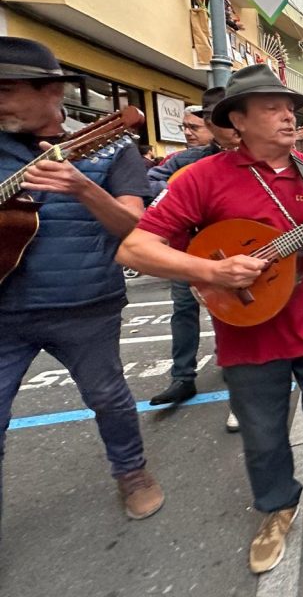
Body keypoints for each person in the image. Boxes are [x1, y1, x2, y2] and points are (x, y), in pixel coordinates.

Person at [117, 64, 303, 576]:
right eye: (272, 107)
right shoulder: (201, 178)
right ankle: (277, 508)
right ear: (238, 118)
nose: (288, 116)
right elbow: (133, 248)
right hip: (247, 334)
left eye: (290, 107)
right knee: (262, 436)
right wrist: (212, 269)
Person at [0, 36, 164, 531]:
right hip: (5, 309)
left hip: (85, 303)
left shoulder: (112, 146)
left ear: (51, 92)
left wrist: (84, 188)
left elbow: (136, 230)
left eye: (7, 90)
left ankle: (131, 472)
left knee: (108, 396)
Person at [146, 87, 243, 430]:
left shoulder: (251, 160)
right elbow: (152, 182)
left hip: (233, 252)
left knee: (234, 318)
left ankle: (239, 394)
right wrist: (182, 194)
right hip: (188, 252)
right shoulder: (186, 162)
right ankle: (182, 376)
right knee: (183, 310)